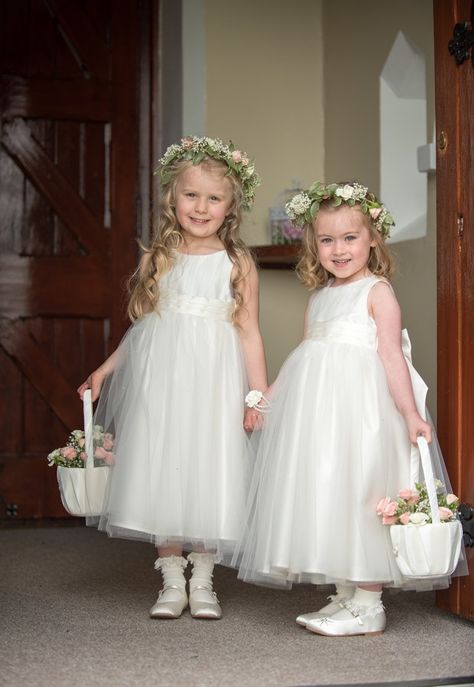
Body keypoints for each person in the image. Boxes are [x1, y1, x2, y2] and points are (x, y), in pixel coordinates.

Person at [235, 181, 464, 637]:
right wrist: (268, 398)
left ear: (373, 238)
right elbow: (304, 354)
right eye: (326, 240)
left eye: (350, 238)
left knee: (361, 492)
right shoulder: (319, 298)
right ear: (313, 244)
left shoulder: (377, 293)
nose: (338, 249)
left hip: (361, 412)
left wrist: (409, 414)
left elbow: (393, 356)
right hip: (319, 415)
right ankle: (346, 593)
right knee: (329, 491)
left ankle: (369, 602)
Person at [78, 136, 267, 620]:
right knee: (164, 465)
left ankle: (203, 580)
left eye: (213, 198)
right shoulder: (158, 257)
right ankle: (170, 581)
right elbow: (142, 329)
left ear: (230, 206)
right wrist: (103, 370)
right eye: (191, 195)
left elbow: (249, 332)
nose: (201, 207)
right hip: (162, 381)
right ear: (173, 199)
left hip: (214, 381)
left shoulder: (236, 262)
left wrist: (257, 394)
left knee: (209, 466)